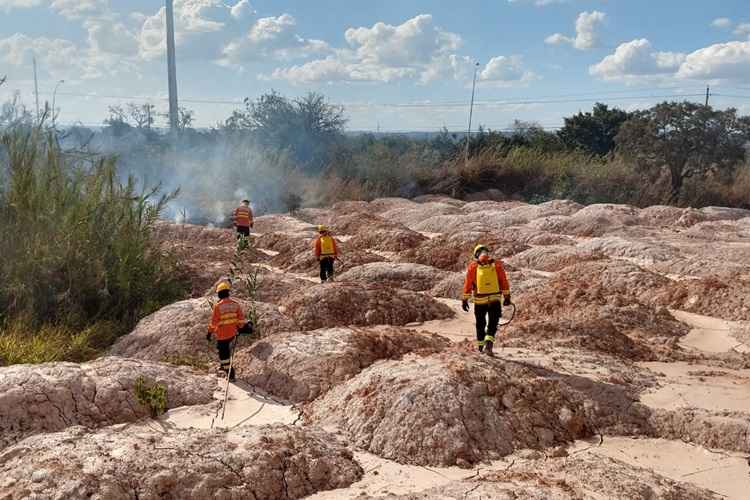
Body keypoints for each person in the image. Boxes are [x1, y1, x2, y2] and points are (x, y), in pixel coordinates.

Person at [462, 244, 511, 356]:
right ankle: (488, 345)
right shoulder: (496, 265)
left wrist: (465, 299)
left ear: (476, 254)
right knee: (493, 323)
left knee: (480, 324)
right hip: (495, 298)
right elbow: (503, 281)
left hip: (480, 300)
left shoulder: (473, 266)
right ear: (487, 253)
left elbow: (468, 284)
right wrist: (507, 296)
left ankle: (480, 348)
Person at [206, 281, 251, 381]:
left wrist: (209, 333)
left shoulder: (217, 306)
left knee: (224, 355)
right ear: (227, 292)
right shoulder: (236, 305)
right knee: (221, 348)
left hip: (222, 335)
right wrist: (240, 328)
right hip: (232, 333)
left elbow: (213, 323)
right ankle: (223, 366)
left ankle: (230, 374)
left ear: (219, 294)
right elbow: (241, 320)